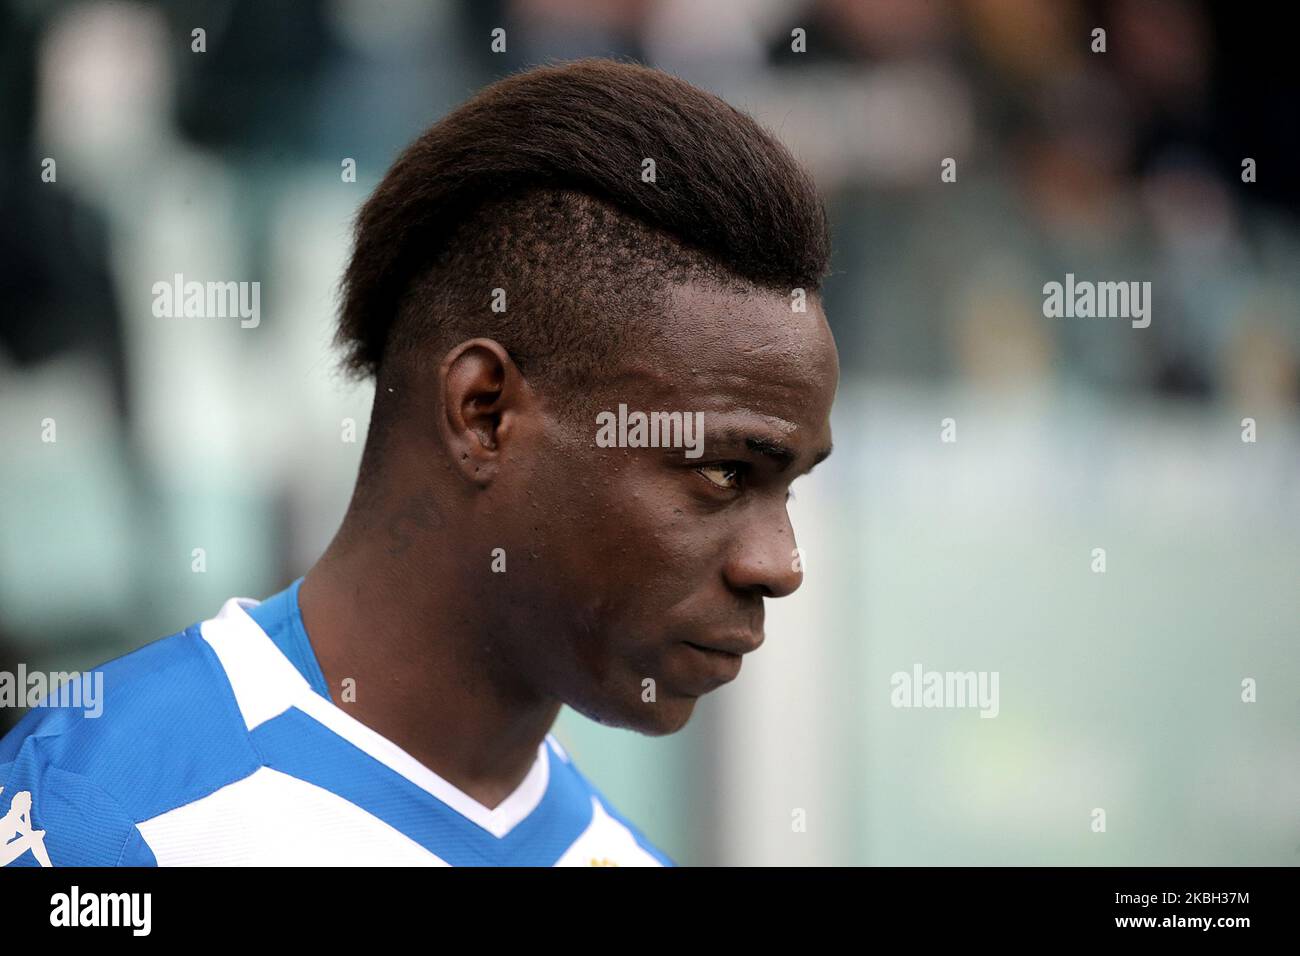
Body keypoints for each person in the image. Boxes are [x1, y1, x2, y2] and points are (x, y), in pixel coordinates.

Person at [0, 57, 838, 866]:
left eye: (789, 487)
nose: (779, 565)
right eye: (724, 470)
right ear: (484, 414)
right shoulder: (105, 815)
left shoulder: (619, 857)